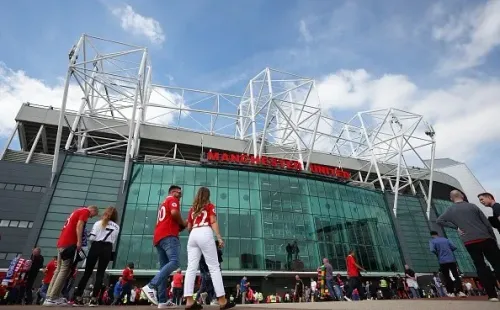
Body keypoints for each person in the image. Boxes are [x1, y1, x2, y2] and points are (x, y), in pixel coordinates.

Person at [437, 190, 500, 302]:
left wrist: (456, 227)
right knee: (497, 264)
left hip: (469, 241)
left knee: (480, 266)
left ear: (451, 199)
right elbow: (486, 222)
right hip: (485, 238)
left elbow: (439, 220)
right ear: (462, 196)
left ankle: (492, 295)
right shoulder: (472, 206)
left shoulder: (450, 210)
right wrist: (493, 238)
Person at [183, 187, 234, 310]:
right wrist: (219, 237)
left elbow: (189, 227)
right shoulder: (210, 206)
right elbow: (213, 221)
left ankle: (189, 301)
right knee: (214, 267)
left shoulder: (192, 209)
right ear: (208, 195)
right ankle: (222, 300)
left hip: (193, 234)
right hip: (205, 232)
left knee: (191, 268)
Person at [43, 205, 98, 307]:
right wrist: (79, 241)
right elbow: (79, 225)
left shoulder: (75, 211)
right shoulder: (85, 211)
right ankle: (52, 297)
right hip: (69, 244)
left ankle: (49, 296)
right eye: (92, 215)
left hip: (62, 243)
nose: (90, 217)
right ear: (92, 210)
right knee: (65, 270)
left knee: (58, 270)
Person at [142, 185, 187, 308]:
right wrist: (183, 222)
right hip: (169, 235)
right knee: (175, 262)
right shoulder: (172, 199)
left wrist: (183, 225)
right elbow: (174, 213)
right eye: (179, 193)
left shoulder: (163, 203)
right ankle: (151, 286)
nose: (180, 195)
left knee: (163, 269)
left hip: (159, 237)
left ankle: (162, 300)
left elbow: (173, 221)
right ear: (173, 192)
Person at [73, 207, 120, 306]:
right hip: (108, 248)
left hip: (96, 246)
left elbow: (92, 238)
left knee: (87, 272)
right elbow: (114, 240)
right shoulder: (116, 226)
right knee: (100, 274)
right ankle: (94, 299)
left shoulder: (99, 223)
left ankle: (78, 296)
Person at [428, 231, 466, 297]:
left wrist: (438, 254)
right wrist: (449, 251)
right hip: (451, 260)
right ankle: (460, 291)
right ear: (438, 234)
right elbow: (454, 247)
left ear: (432, 235)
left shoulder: (432, 241)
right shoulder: (446, 239)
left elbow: (432, 250)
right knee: (456, 275)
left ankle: (451, 292)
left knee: (446, 276)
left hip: (442, 261)